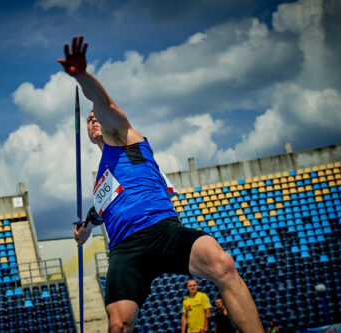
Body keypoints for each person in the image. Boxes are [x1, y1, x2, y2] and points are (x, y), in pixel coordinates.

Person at [59, 35, 264, 333]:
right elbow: (97, 212)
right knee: (119, 325)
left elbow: (104, 103)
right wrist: (84, 232)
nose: (93, 121)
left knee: (223, 265)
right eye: (88, 121)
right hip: (124, 250)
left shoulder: (124, 138)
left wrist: (81, 76)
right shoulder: (102, 181)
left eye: (95, 117)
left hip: (163, 231)